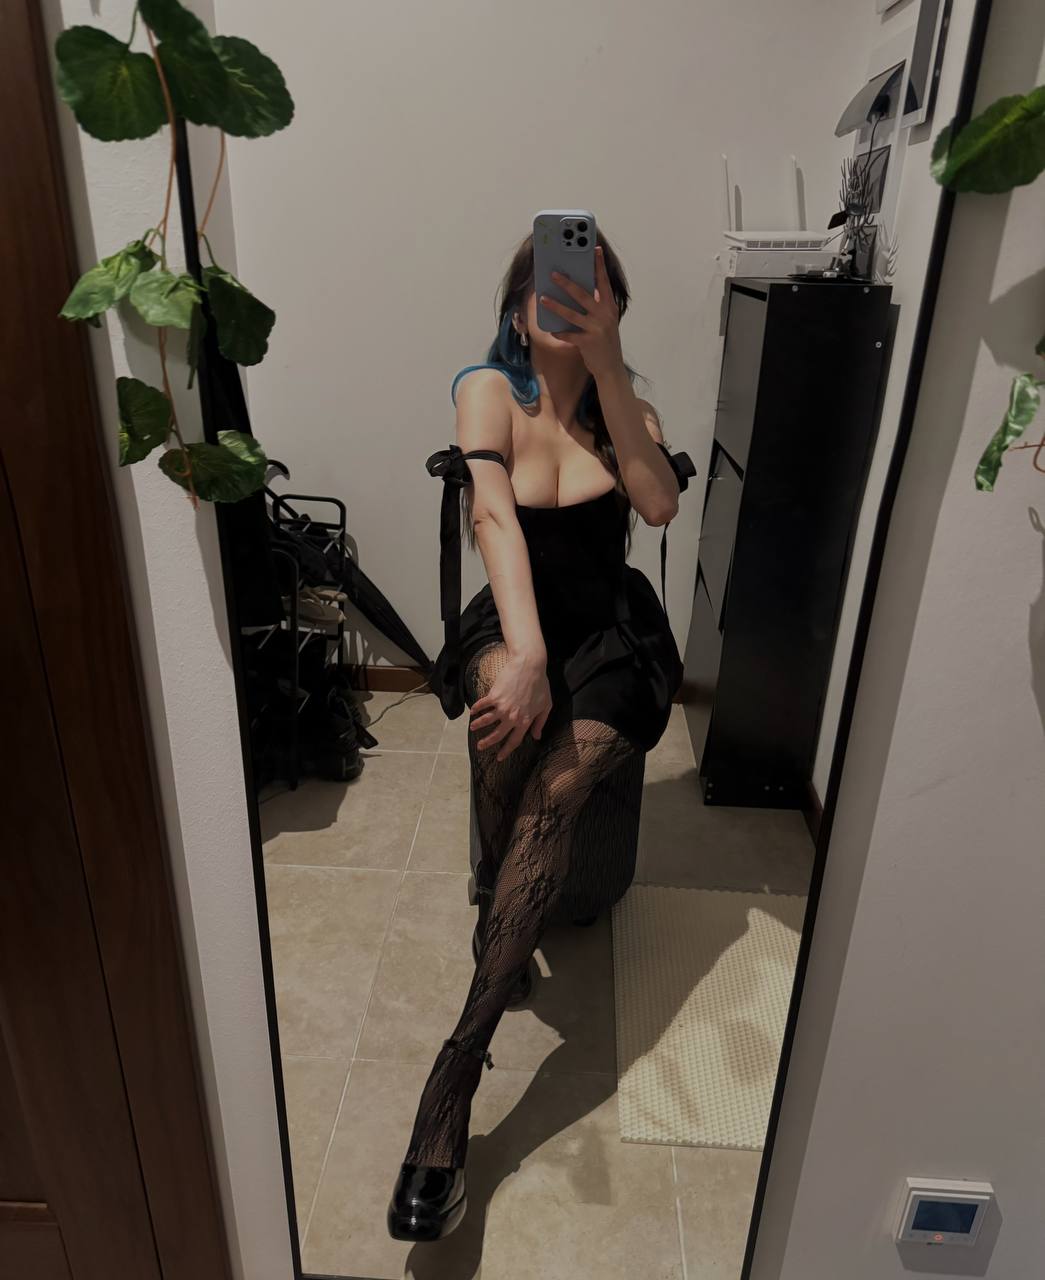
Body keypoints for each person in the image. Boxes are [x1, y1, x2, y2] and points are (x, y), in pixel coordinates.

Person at [387, 229, 693, 1242]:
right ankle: (499, 908)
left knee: (558, 788)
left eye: (591, 294)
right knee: (501, 732)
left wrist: (609, 369)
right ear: (517, 306)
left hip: (611, 634)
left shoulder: (628, 409)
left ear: (615, 309)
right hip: (517, 618)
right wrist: (520, 653)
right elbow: (492, 515)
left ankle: (451, 1083)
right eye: (551, 291)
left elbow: (657, 503)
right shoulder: (486, 389)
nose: (566, 306)